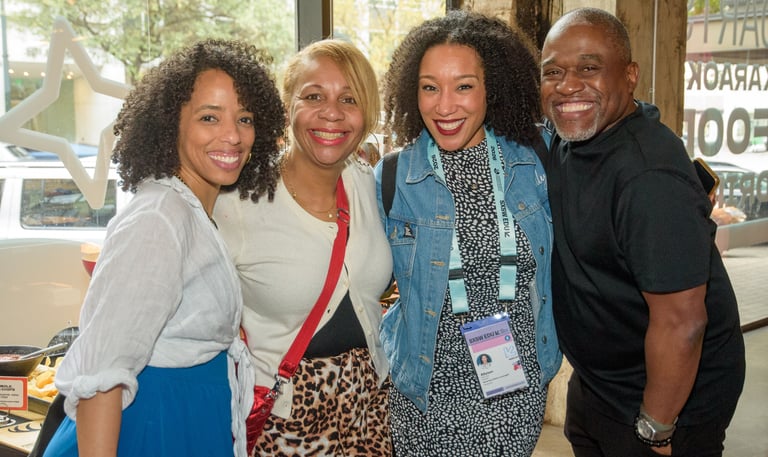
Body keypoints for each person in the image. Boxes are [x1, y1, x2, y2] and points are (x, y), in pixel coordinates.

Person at [42, 39, 285, 457]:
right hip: (150, 430)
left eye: (244, 118)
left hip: (186, 423)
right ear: (170, 123)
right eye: (210, 117)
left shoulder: (190, 209)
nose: (232, 135)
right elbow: (104, 375)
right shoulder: (159, 219)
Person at [539, 8, 746, 457]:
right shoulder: (568, 139)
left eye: (589, 68)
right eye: (553, 71)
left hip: (665, 400)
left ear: (630, 75)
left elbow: (683, 324)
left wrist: (658, 429)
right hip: (601, 384)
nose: (568, 84)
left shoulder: (648, 177)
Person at [375, 10, 562, 456]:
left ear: (491, 87)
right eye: (429, 87)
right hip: (423, 395)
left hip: (514, 392)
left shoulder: (535, 159)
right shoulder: (393, 176)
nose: (444, 106)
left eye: (463, 86)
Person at [214, 39, 392, 456]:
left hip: (371, 407)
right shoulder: (237, 201)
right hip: (285, 415)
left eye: (349, 98)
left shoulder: (367, 182)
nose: (332, 112)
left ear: (366, 113)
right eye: (313, 96)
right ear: (286, 105)